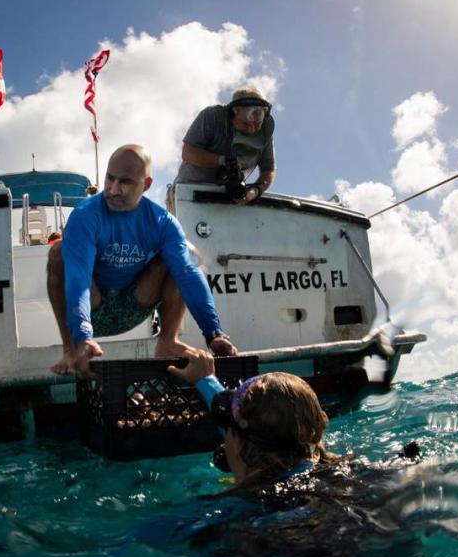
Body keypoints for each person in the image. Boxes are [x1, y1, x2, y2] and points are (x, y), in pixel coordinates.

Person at [48, 144, 239, 376]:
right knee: (58, 254)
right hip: (93, 308)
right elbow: (78, 281)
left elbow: (188, 274)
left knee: (183, 257)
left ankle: (168, 341)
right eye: (110, 178)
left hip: (134, 305)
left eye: (125, 182)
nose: (113, 189)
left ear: (146, 185)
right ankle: (72, 349)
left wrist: (213, 333)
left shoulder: (162, 222)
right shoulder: (85, 215)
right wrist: (82, 335)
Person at [168, 350, 336, 488]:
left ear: (239, 443)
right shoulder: (336, 473)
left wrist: (205, 380)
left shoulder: (226, 512)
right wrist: (205, 380)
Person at [174, 87, 276, 205]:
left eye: (257, 124)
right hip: (189, 191)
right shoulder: (211, 116)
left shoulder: (265, 132)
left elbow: (268, 171)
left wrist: (254, 191)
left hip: (228, 199)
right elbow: (188, 153)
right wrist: (223, 161)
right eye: (245, 124)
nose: (252, 130)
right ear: (234, 112)